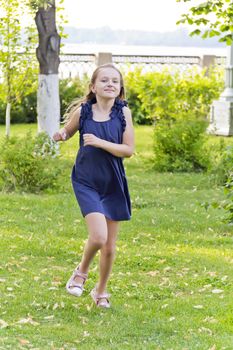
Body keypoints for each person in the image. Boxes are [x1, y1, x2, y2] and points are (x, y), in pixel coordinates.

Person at [53, 63, 134, 308]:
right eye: (104, 80)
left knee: (109, 247)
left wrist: (99, 142)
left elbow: (128, 150)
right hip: (86, 180)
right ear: (93, 86)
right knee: (99, 236)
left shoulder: (123, 113)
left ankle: (100, 292)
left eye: (115, 81)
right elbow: (68, 130)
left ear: (119, 89)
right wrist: (61, 135)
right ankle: (80, 272)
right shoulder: (84, 111)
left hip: (113, 182)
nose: (110, 84)